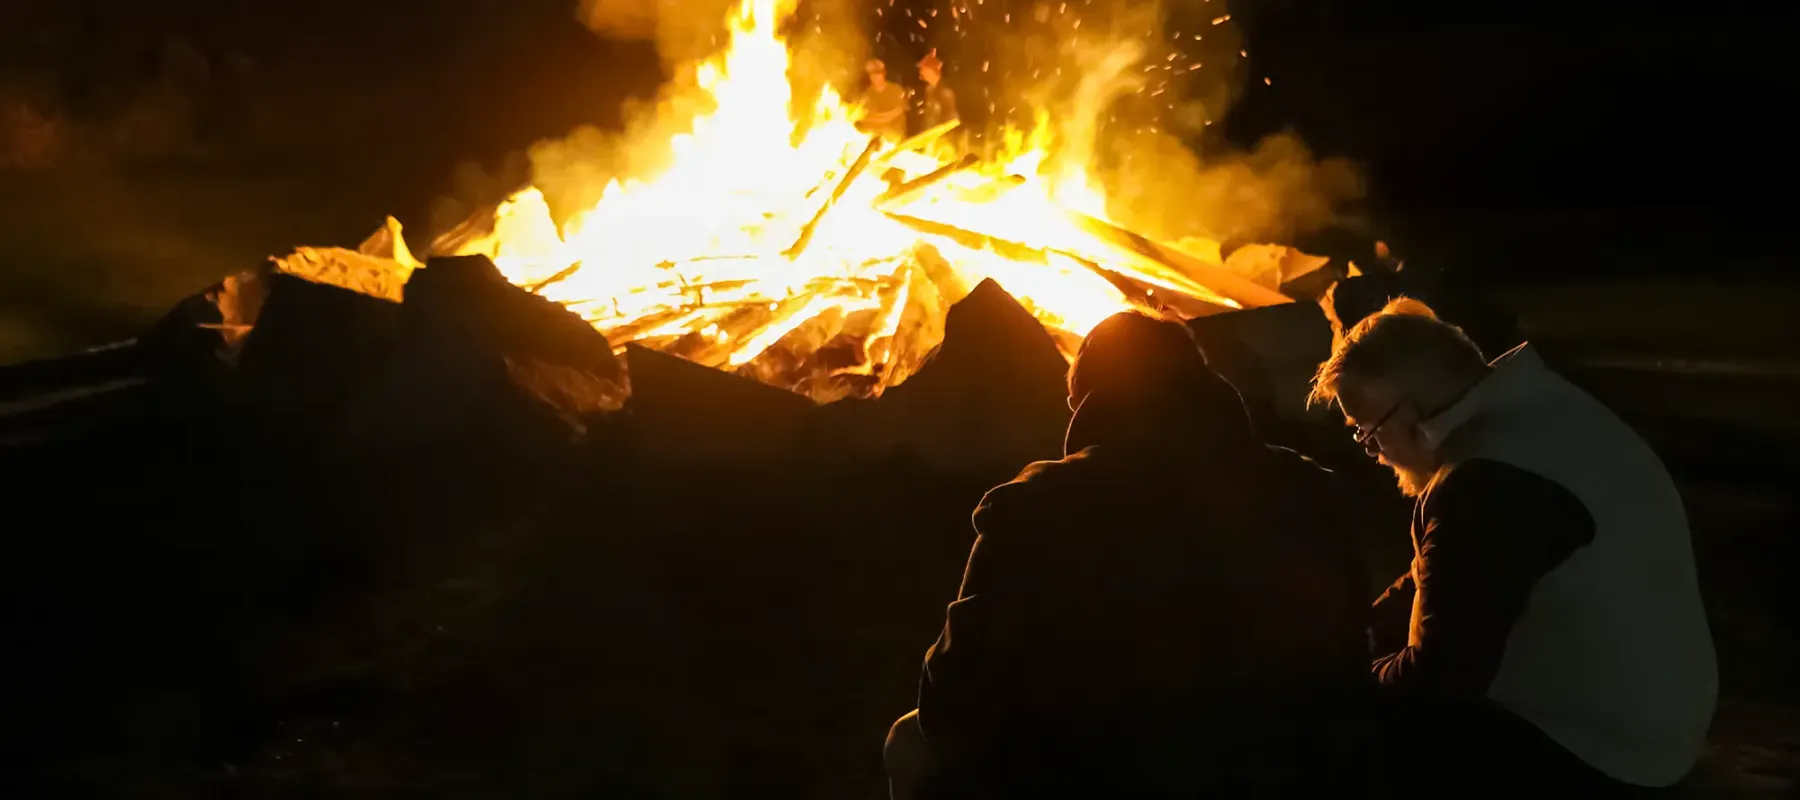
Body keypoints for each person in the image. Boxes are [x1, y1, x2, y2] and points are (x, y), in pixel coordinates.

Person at [886, 311, 1373, 799]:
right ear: (1203, 381)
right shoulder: (1313, 489)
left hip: (1097, 772)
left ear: (1083, 400)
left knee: (909, 742)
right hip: (1289, 765)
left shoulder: (1035, 506)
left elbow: (953, 704)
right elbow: (1350, 649)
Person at [1308, 297, 1717, 793]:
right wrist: (1363, 628)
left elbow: (1439, 678)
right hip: (1650, 706)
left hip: (1599, 746)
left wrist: (1337, 680)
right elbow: (1443, 575)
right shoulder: (1535, 415)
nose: (1372, 451)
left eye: (1366, 431)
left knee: (1345, 741)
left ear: (1408, 411)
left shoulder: (1489, 479)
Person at [856, 58, 909, 142]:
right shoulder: (868, 93)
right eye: (872, 74)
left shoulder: (896, 90)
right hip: (873, 135)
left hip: (894, 136)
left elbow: (894, 114)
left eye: (878, 73)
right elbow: (865, 115)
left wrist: (872, 118)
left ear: (884, 73)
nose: (875, 77)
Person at [916, 50, 958, 130]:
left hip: (942, 137)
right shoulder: (929, 90)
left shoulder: (946, 90)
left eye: (923, 69)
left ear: (931, 70)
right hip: (930, 136)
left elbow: (951, 119)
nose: (920, 72)